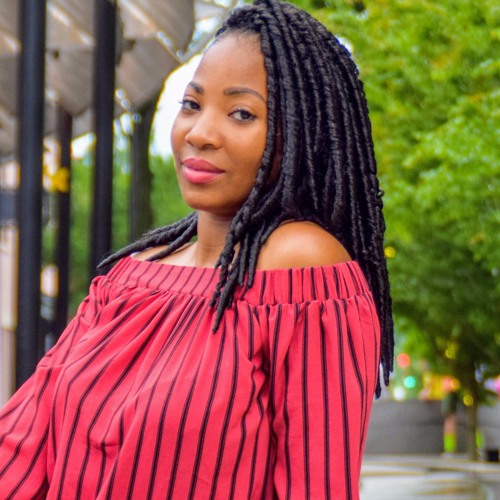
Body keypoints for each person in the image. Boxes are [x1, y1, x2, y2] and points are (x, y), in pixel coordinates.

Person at [0, 0, 393, 497]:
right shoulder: (127, 279)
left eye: (242, 113)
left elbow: (317, 484)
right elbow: (24, 446)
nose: (201, 133)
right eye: (191, 104)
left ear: (303, 134)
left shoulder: (300, 268)